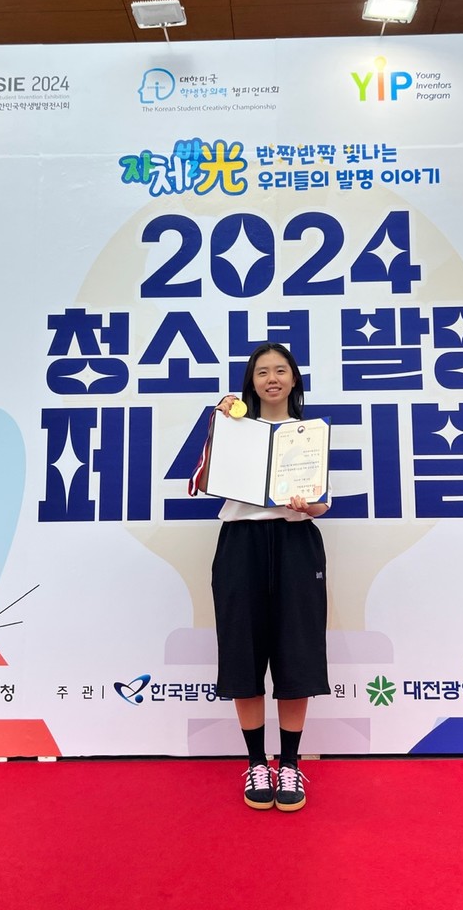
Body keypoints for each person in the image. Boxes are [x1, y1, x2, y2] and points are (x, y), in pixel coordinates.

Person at [189, 343, 330, 812]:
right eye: (262, 371)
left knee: (297, 653)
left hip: (295, 543)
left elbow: (323, 501)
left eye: (281, 370)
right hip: (240, 544)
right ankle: (255, 763)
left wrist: (308, 506)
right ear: (251, 381)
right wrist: (220, 426)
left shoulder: (309, 434)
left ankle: (288, 764)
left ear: (294, 379)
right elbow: (203, 481)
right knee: (242, 652)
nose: (272, 378)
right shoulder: (233, 428)